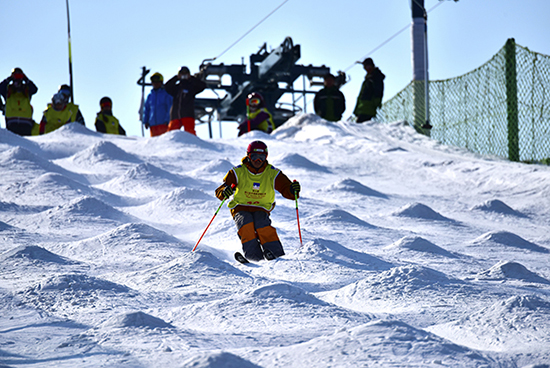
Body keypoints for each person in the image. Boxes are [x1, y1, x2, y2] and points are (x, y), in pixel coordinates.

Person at [215, 140, 301, 263]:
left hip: (262, 207)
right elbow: (222, 188)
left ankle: (276, 254)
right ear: (248, 156)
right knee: (246, 223)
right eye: (254, 156)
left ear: (266, 157)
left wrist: (293, 191)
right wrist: (224, 192)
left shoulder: (272, 173)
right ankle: (254, 256)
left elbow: (287, 190)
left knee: (262, 224)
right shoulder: (238, 172)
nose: (257, 160)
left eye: (261, 157)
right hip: (240, 206)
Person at [164, 66, 206, 135]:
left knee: (190, 133)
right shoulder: (176, 89)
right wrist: (176, 78)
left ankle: (193, 145)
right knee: (171, 134)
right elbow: (167, 86)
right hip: (175, 115)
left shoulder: (192, 88)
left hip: (188, 114)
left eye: (185, 74)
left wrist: (191, 78)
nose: (184, 75)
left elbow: (202, 86)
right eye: (182, 74)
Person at [0, 68, 38, 136]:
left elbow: (35, 89)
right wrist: (9, 79)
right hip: (12, 123)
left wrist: (26, 79)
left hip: (26, 123)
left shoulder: (27, 90)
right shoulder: (8, 91)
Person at [353, 58, 385, 123]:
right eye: (365, 66)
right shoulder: (367, 79)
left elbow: (378, 92)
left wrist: (375, 104)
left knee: (359, 127)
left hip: (369, 107)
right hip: (362, 107)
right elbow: (361, 95)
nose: (367, 68)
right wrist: (356, 109)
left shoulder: (376, 78)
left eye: (368, 66)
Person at [143, 72, 173, 137]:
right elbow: (146, 109)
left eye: (157, 82)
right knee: (154, 144)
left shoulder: (166, 95)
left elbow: (170, 108)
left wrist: (167, 120)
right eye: (153, 82)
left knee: (163, 143)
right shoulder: (150, 96)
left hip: (163, 124)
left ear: (161, 82)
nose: (155, 84)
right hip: (153, 125)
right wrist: (145, 121)